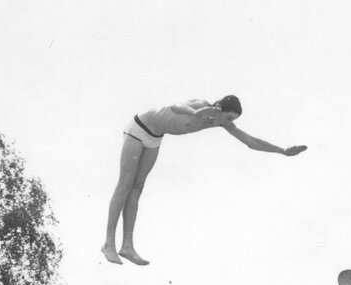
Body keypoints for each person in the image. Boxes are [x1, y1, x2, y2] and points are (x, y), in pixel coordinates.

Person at [102, 95, 307, 265]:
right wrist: (194, 113)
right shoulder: (201, 105)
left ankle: (127, 246)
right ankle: (109, 244)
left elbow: (250, 141)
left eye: (232, 119)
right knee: (125, 184)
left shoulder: (221, 122)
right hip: (139, 128)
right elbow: (175, 107)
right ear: (219, 108)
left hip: (155, 137)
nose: (229, 121)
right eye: (228, 116)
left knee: (137, 188)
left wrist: (282, 151)